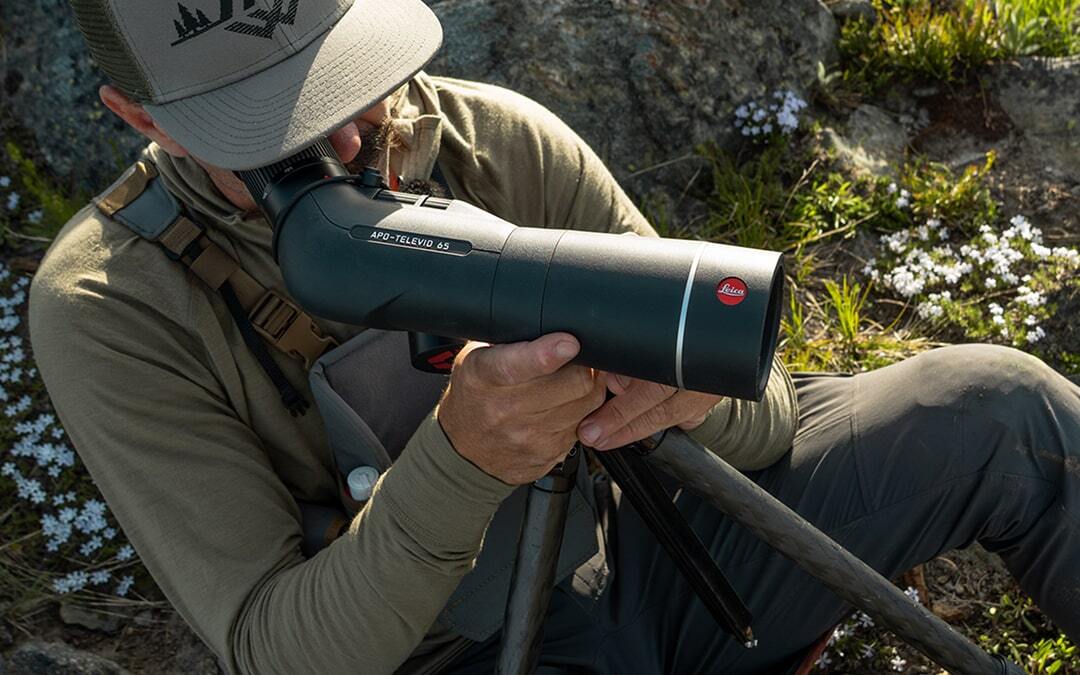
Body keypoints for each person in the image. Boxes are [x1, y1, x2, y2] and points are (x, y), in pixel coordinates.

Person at [29, 1, 1079, 673]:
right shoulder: (114, 306)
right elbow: (278, 651)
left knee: (1004, 415)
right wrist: (463, 461)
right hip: (447, 655)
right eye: (269, 128)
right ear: (143, 116)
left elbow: (772, 423)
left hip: (668, 557)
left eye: (343, 82)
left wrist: (694, 397)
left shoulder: (493, 142)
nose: (347, 142)